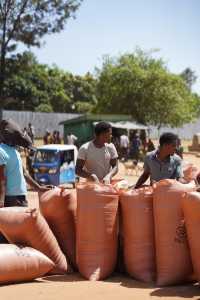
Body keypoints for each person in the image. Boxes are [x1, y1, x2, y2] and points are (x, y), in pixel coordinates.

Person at [0, 119, 50, 209]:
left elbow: (23, 173)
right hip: (15, 197)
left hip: (16, 198)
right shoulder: (9, 151)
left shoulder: (11, 151)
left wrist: (38, 187)